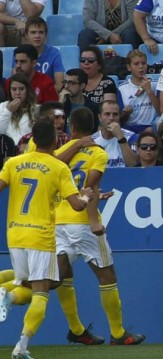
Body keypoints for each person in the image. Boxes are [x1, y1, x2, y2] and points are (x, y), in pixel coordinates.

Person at [53, 107, 146, 347]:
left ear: (71, 126)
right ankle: (118, 333)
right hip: (83, 223)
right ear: (94, 126)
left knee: (61, 277)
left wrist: (72, 146)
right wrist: (94, 220)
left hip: (58, 222)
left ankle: (76, 329)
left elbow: (52, 168)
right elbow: (89, 188)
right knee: (107, 276)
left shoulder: (61, 151)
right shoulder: (98, 153)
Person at [0, 120, 93, 359]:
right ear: (54, 140)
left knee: (26, 285)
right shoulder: (58, 167)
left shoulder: (13, 162)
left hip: (15, 234)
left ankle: (8, 295)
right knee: (42, 292)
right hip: (40, 236)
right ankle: (21, 345)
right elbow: (75, 205)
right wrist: (87, 197)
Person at [118, 50, 160, 133]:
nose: (141, 66)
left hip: (151, 127)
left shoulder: (156, 84)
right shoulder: (121, 89)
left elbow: (161, 111)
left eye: (143, 63)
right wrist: (126, 113)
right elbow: (119, 119)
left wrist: (149, 91)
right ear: (129, 67)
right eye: (136, 64)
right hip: (130, 128)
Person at [22, 17, 65, 93]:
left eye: (41, 32)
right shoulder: (20, 53)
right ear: (26, 35)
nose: (37, 36)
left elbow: (59, 85)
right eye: (33, 32)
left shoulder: (54, 53)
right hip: (26, 97)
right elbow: (16, 81)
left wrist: (40, 94)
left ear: (46, 35)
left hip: (47, 97)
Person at [91, 100, 138, 167]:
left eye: (115, 114)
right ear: (99, 117)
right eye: (107, 114)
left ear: (119, 116)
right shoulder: (92, 141)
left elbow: (133, 164)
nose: (111, 118)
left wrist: (121, 137)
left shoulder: (132, 137)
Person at [0, 73, 39, 147]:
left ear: (27, 90)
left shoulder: (37, 109)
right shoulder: (2, 107)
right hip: (5, 153)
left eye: (21, 89)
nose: (17, 93)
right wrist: (8, 111)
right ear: (9, 90)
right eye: (14, 89)